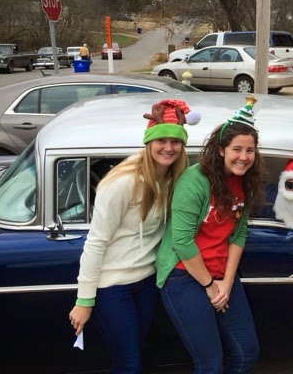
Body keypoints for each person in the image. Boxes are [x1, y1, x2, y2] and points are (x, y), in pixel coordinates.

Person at [68, 98, 200, 373]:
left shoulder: (175, 178)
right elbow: (96, 242)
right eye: (161, 140)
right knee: (130, 364)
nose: (168, 148)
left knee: (134, 353)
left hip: (147, 282)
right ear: (149, 142)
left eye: (175, 142)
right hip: (113, 287)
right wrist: (84, 300)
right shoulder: (123, 182)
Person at [156, 96, 263, 374]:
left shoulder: (244, 181)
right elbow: (182, 241)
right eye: (237, 149)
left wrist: (226, 282)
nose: (243, 157)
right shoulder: (195, 181)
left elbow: (238, 234)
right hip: (184, 274)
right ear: (221, 149)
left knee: (246, 354)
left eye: (250, 150)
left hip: (221, 273)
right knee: (210, 365)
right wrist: (210, 286)